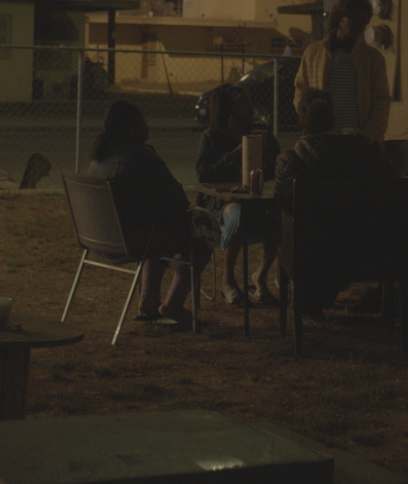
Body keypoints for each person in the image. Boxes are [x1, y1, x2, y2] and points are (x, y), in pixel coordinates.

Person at [274, 89, 397, 320]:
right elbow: (391, 189)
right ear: (333, 120)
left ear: (301, 123)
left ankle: (312, 297)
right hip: (369, 252)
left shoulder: (290, 162)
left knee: (292, 227)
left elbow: (285, 207)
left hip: (313, 256)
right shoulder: (369, 152)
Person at [87, 101, 210, 330]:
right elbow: (179, 201)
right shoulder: (141, 155)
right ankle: (173, 304)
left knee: (158, 226)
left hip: (100, 240)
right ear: (131, 126)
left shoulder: (100, 154)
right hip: (132, 241)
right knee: (202, 233)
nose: (147, 125)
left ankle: (149, 299)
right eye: (143, 120)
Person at [195, 85, 281, 306]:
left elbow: (279, 168)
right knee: (237, 212)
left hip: (258, 201)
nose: (251, 107)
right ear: (229, 109)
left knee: (282, 216)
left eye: (250, 102)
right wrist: (235, 154)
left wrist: (265, 155)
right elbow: (203, 176)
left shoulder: (260, 132)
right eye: (244, 103)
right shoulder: (211, 137)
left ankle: (260, 276)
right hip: (222, 205)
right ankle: (228, 281)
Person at [293, 0, 390, 143]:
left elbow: (381, 100)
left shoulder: (372, 58)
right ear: (339, 18)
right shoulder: (313, 53)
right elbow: (300, 92)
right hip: (321, 140)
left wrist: (370, 136)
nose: (358, 25)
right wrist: (309, 118)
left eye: (363, 21)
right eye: (353, 18)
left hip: (359, 142)